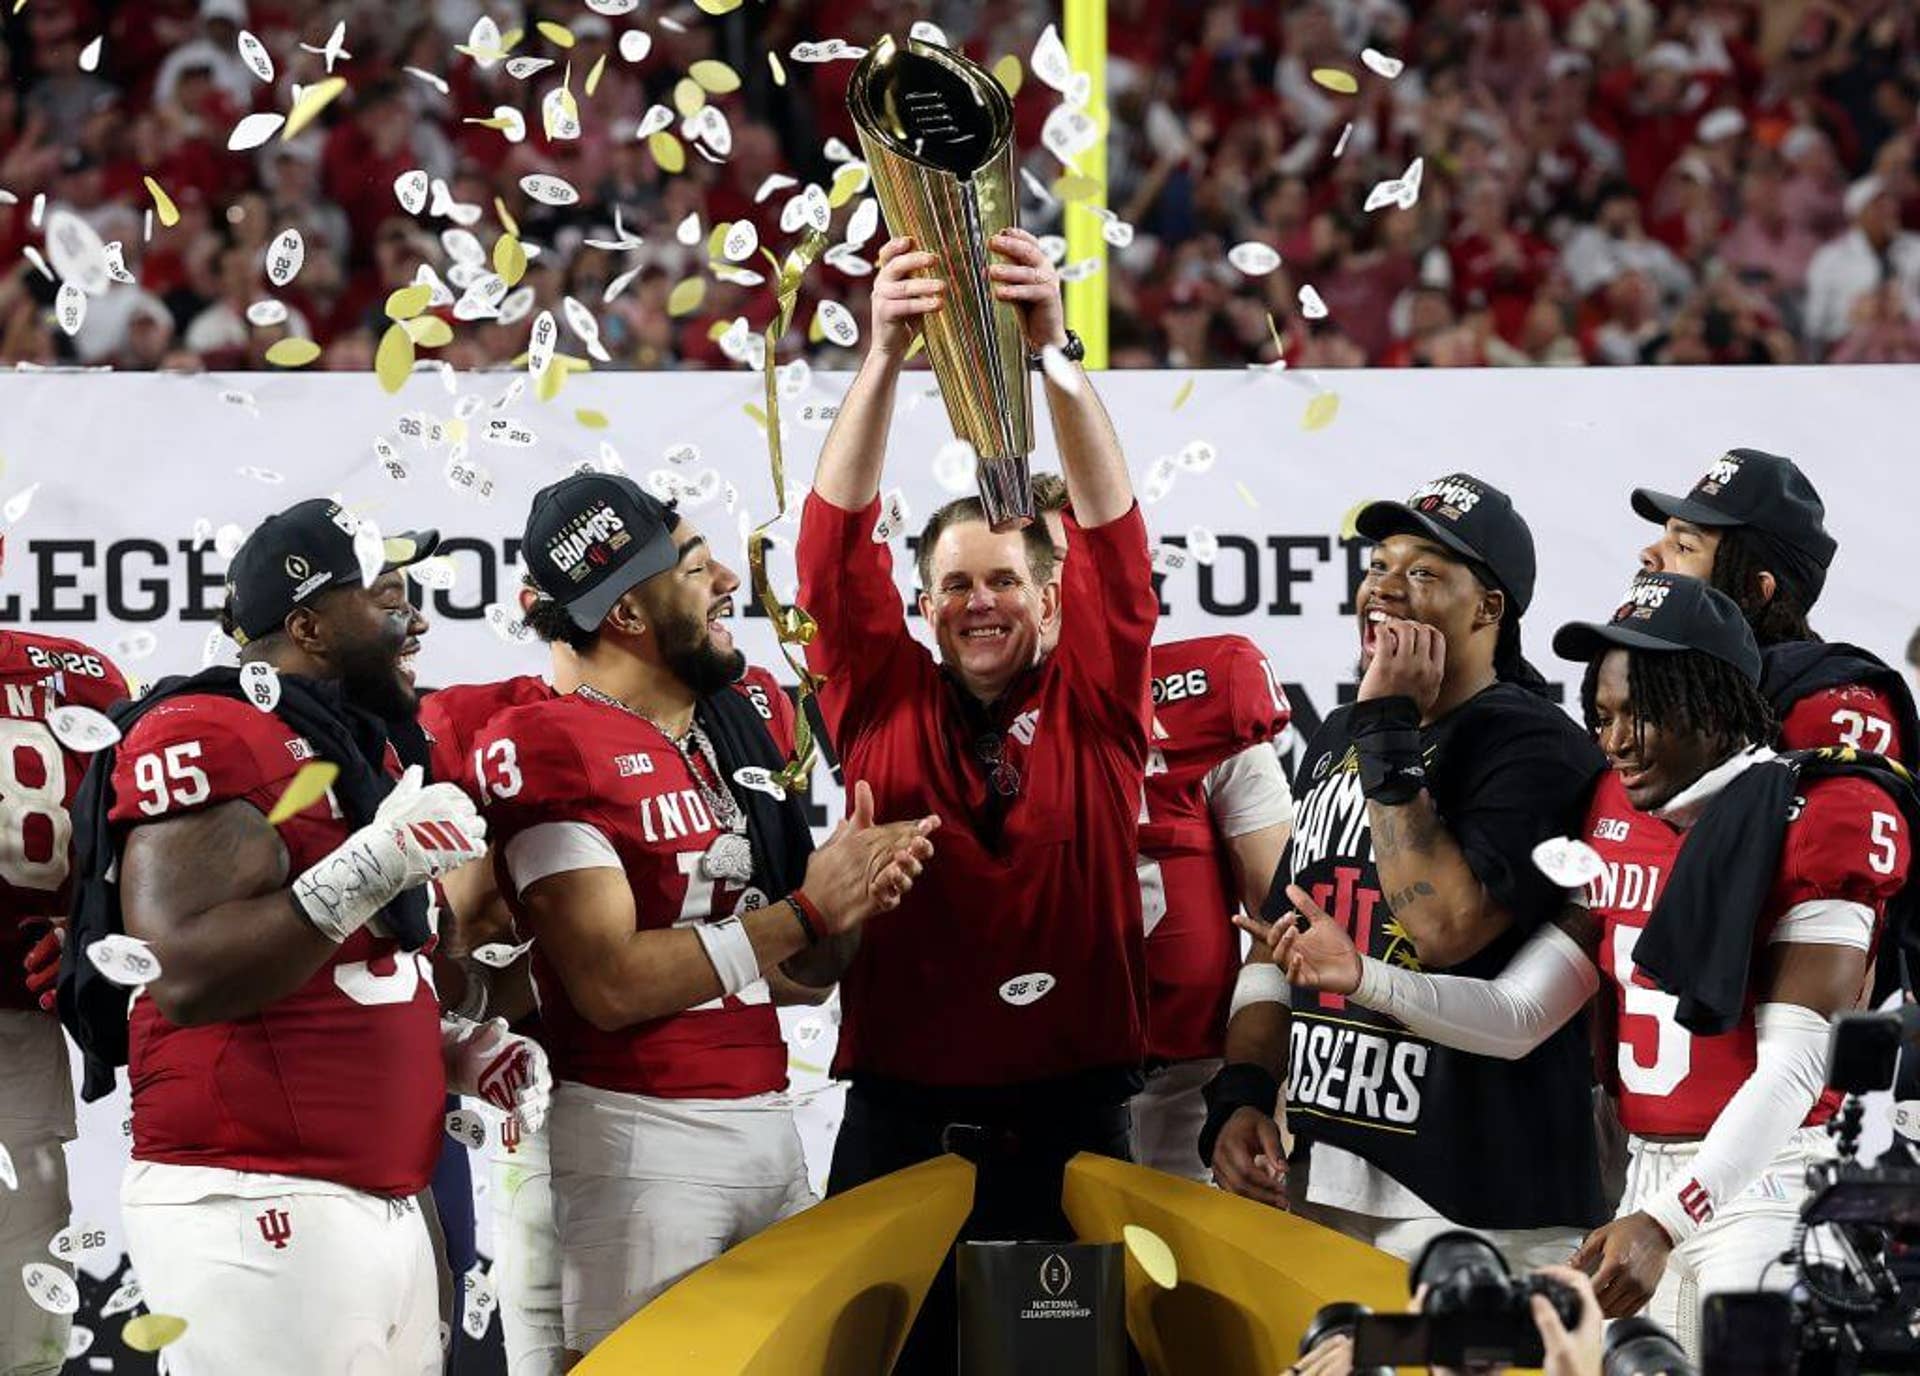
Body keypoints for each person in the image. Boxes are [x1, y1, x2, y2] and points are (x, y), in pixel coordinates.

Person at [1260, 573, 1914, 1358]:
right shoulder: (1614, 811)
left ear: (1713, 705)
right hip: (1646, 1179)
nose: (1615, 741)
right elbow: (1518, 1015)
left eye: (1642, 714)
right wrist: (1366, 976)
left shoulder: (1827, 813)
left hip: (1765, 1186)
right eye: (1602, 717)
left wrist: (1669, 1220)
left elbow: (1794, 1071)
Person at [56, 499, 548, 1375]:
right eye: (390, 597)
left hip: (373, 1197)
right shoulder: (206, 729)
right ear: (310, 624)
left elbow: (332, 979)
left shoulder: (356, 749)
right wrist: (372, 865)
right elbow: (185, 972)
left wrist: (455, 1049)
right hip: (253, 1196)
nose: (418, 619)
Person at [472, 472, 938, 1365]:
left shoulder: (731, 722)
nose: (729, 579)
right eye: (694, 566)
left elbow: (799, 978)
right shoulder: (551, 742)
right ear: (628, 614)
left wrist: (850, 901)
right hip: (636, 1138)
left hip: (764, 1121)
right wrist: (807, 907)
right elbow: (608, 985)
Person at [795, 228, 1156, 1372]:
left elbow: (1116, 534)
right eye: (954, 583)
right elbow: (826, 552)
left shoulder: (1101, 701)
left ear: (1052, 600)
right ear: (923, 601)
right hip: (901, 1131)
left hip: (1074, 1137)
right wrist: (885, 357)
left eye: (1006, 579)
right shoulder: (878, 694)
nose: (980, 601)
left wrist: (1055, 349)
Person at [1205, 473, 1607, 1268]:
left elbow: (1444, 930)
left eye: (1422, 573)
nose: (1383, 589)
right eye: (1378, 565)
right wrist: (1244, 1092)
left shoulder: (1534, 746)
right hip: (1323, 1177)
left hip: (1481, 1201)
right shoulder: (1340, 735)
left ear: (1488, 608)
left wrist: (1390, 730)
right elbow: (1274, 936)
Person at [1031, 474, 1295, 1180]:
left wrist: (1259, 1086)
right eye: (1042, 565)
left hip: (1190, 1083)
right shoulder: (967, 719)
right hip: (1032, 1086)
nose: (1064, 586)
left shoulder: (1208, 693)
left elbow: (1284, 920)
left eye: (1080, 561)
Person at [1, 630, 129, 1376]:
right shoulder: (77, 673)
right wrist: (86, 929)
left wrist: (87, 931)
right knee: (24, 1346)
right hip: (17, 1042)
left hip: (18, 1037)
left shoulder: (85, 675)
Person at [1633, 447, 1918, 766]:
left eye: (1684, 547)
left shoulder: (1828, 706)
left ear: (1755, 590)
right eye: (1663, 536)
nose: (1648, 554)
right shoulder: (1638, 682)